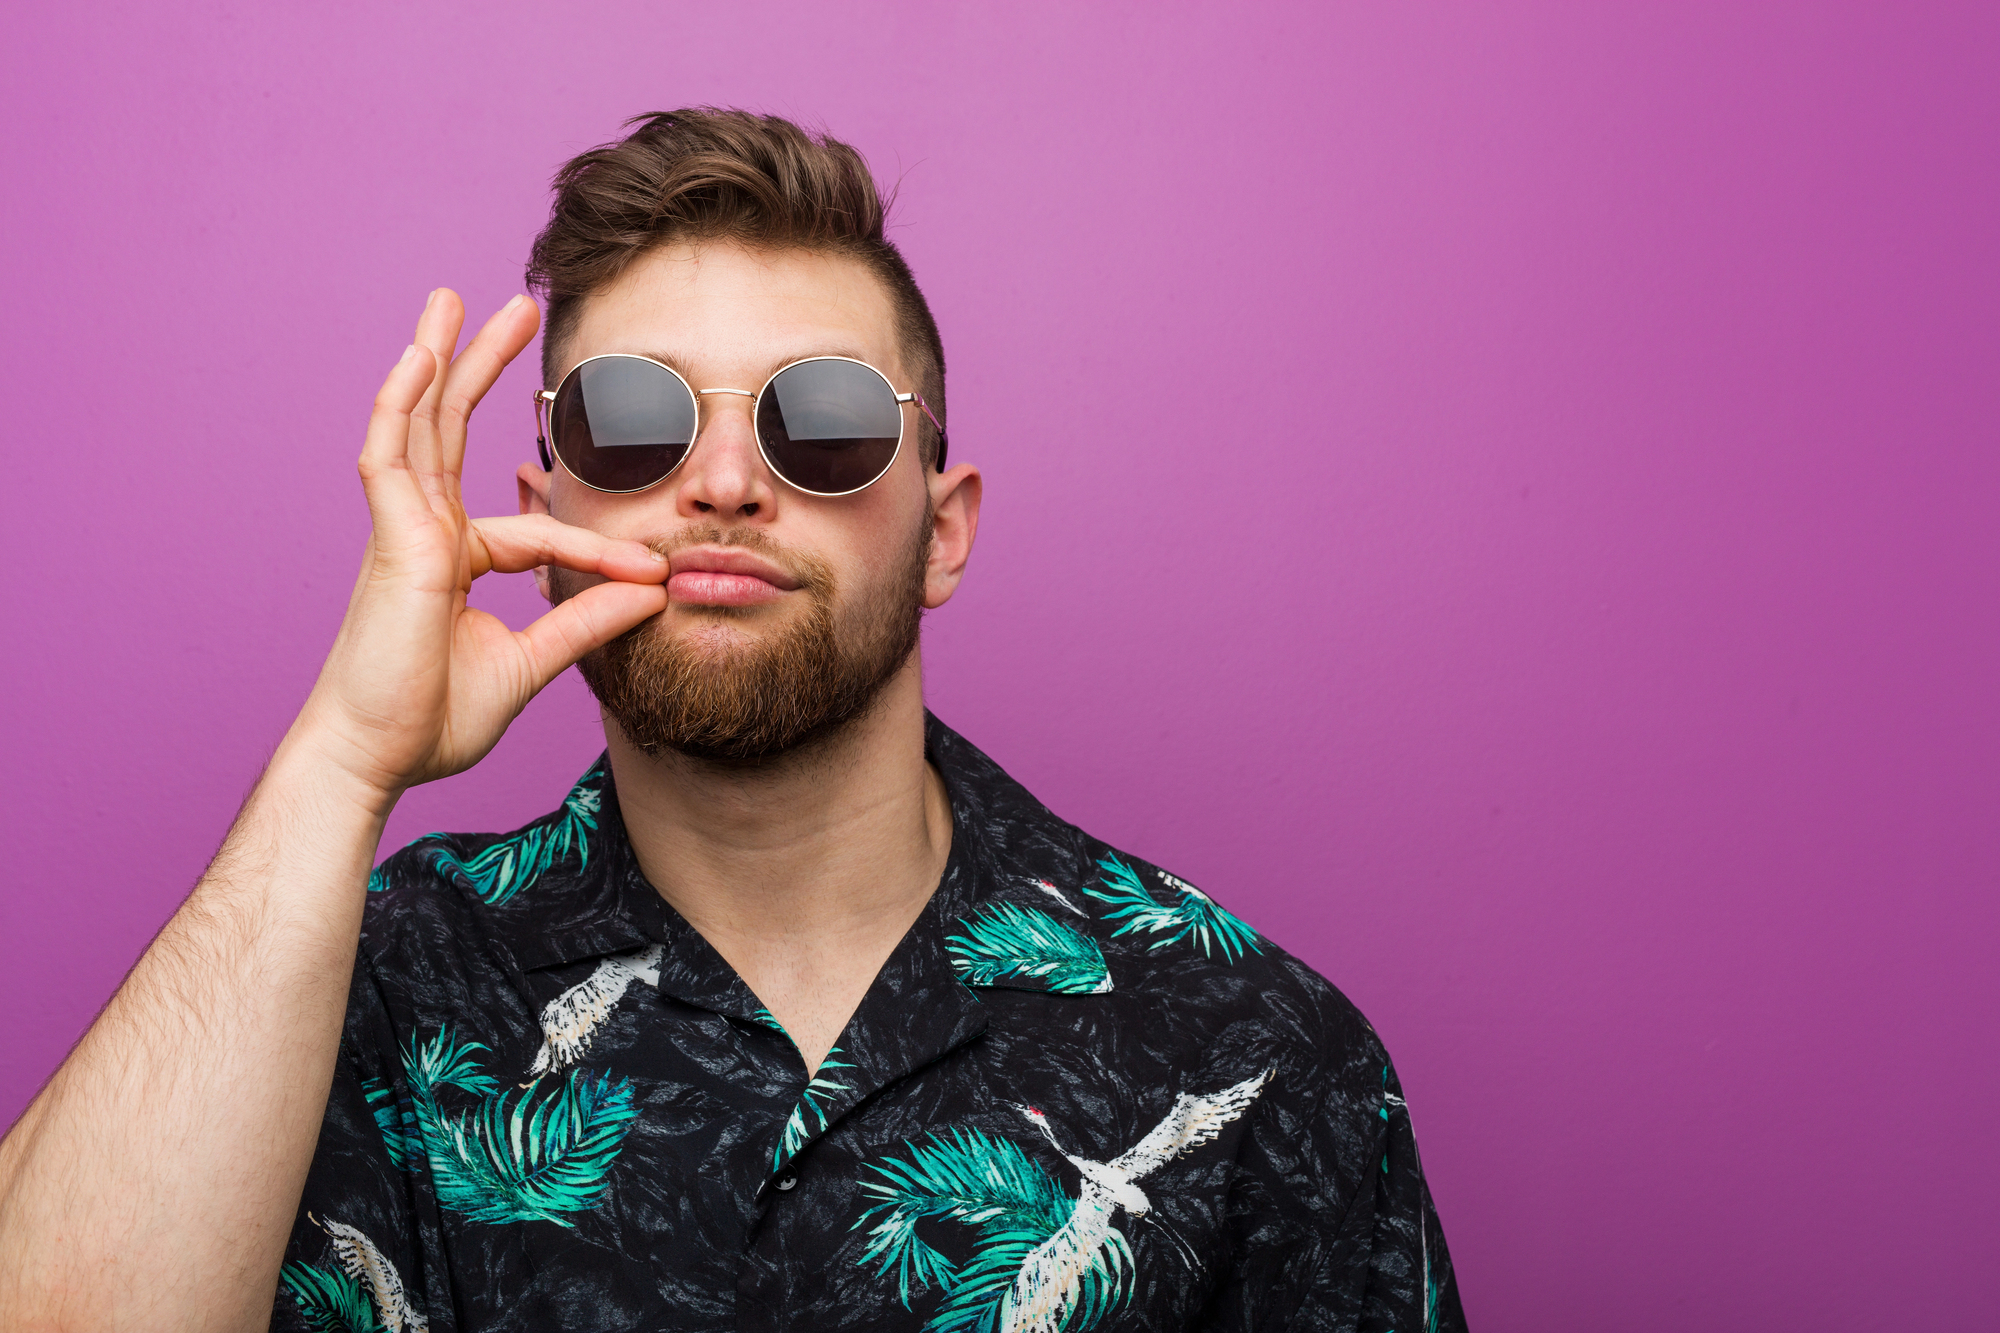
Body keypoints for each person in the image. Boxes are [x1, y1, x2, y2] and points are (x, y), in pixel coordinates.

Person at [0, 108, 1467, 1333]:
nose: (718, 484)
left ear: (943, 529)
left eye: (818, 421)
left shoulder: (1253, 1049)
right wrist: (340, 759)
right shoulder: (358, 995)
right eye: (634, 422)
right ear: (543, 519)